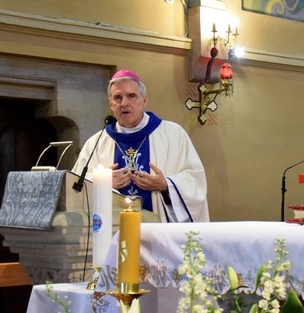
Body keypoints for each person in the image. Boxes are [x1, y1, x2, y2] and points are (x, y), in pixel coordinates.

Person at [73, 69, 209, 223]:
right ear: (111, 104)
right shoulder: (96, 142)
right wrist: (102, 184)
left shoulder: (173, 134)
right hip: (112, 231)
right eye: (118, 97)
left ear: (144, 100)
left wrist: (166, 184)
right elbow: (77, 186)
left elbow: (195, 180)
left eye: (131, 96)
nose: (124, 103)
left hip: (160, 230)